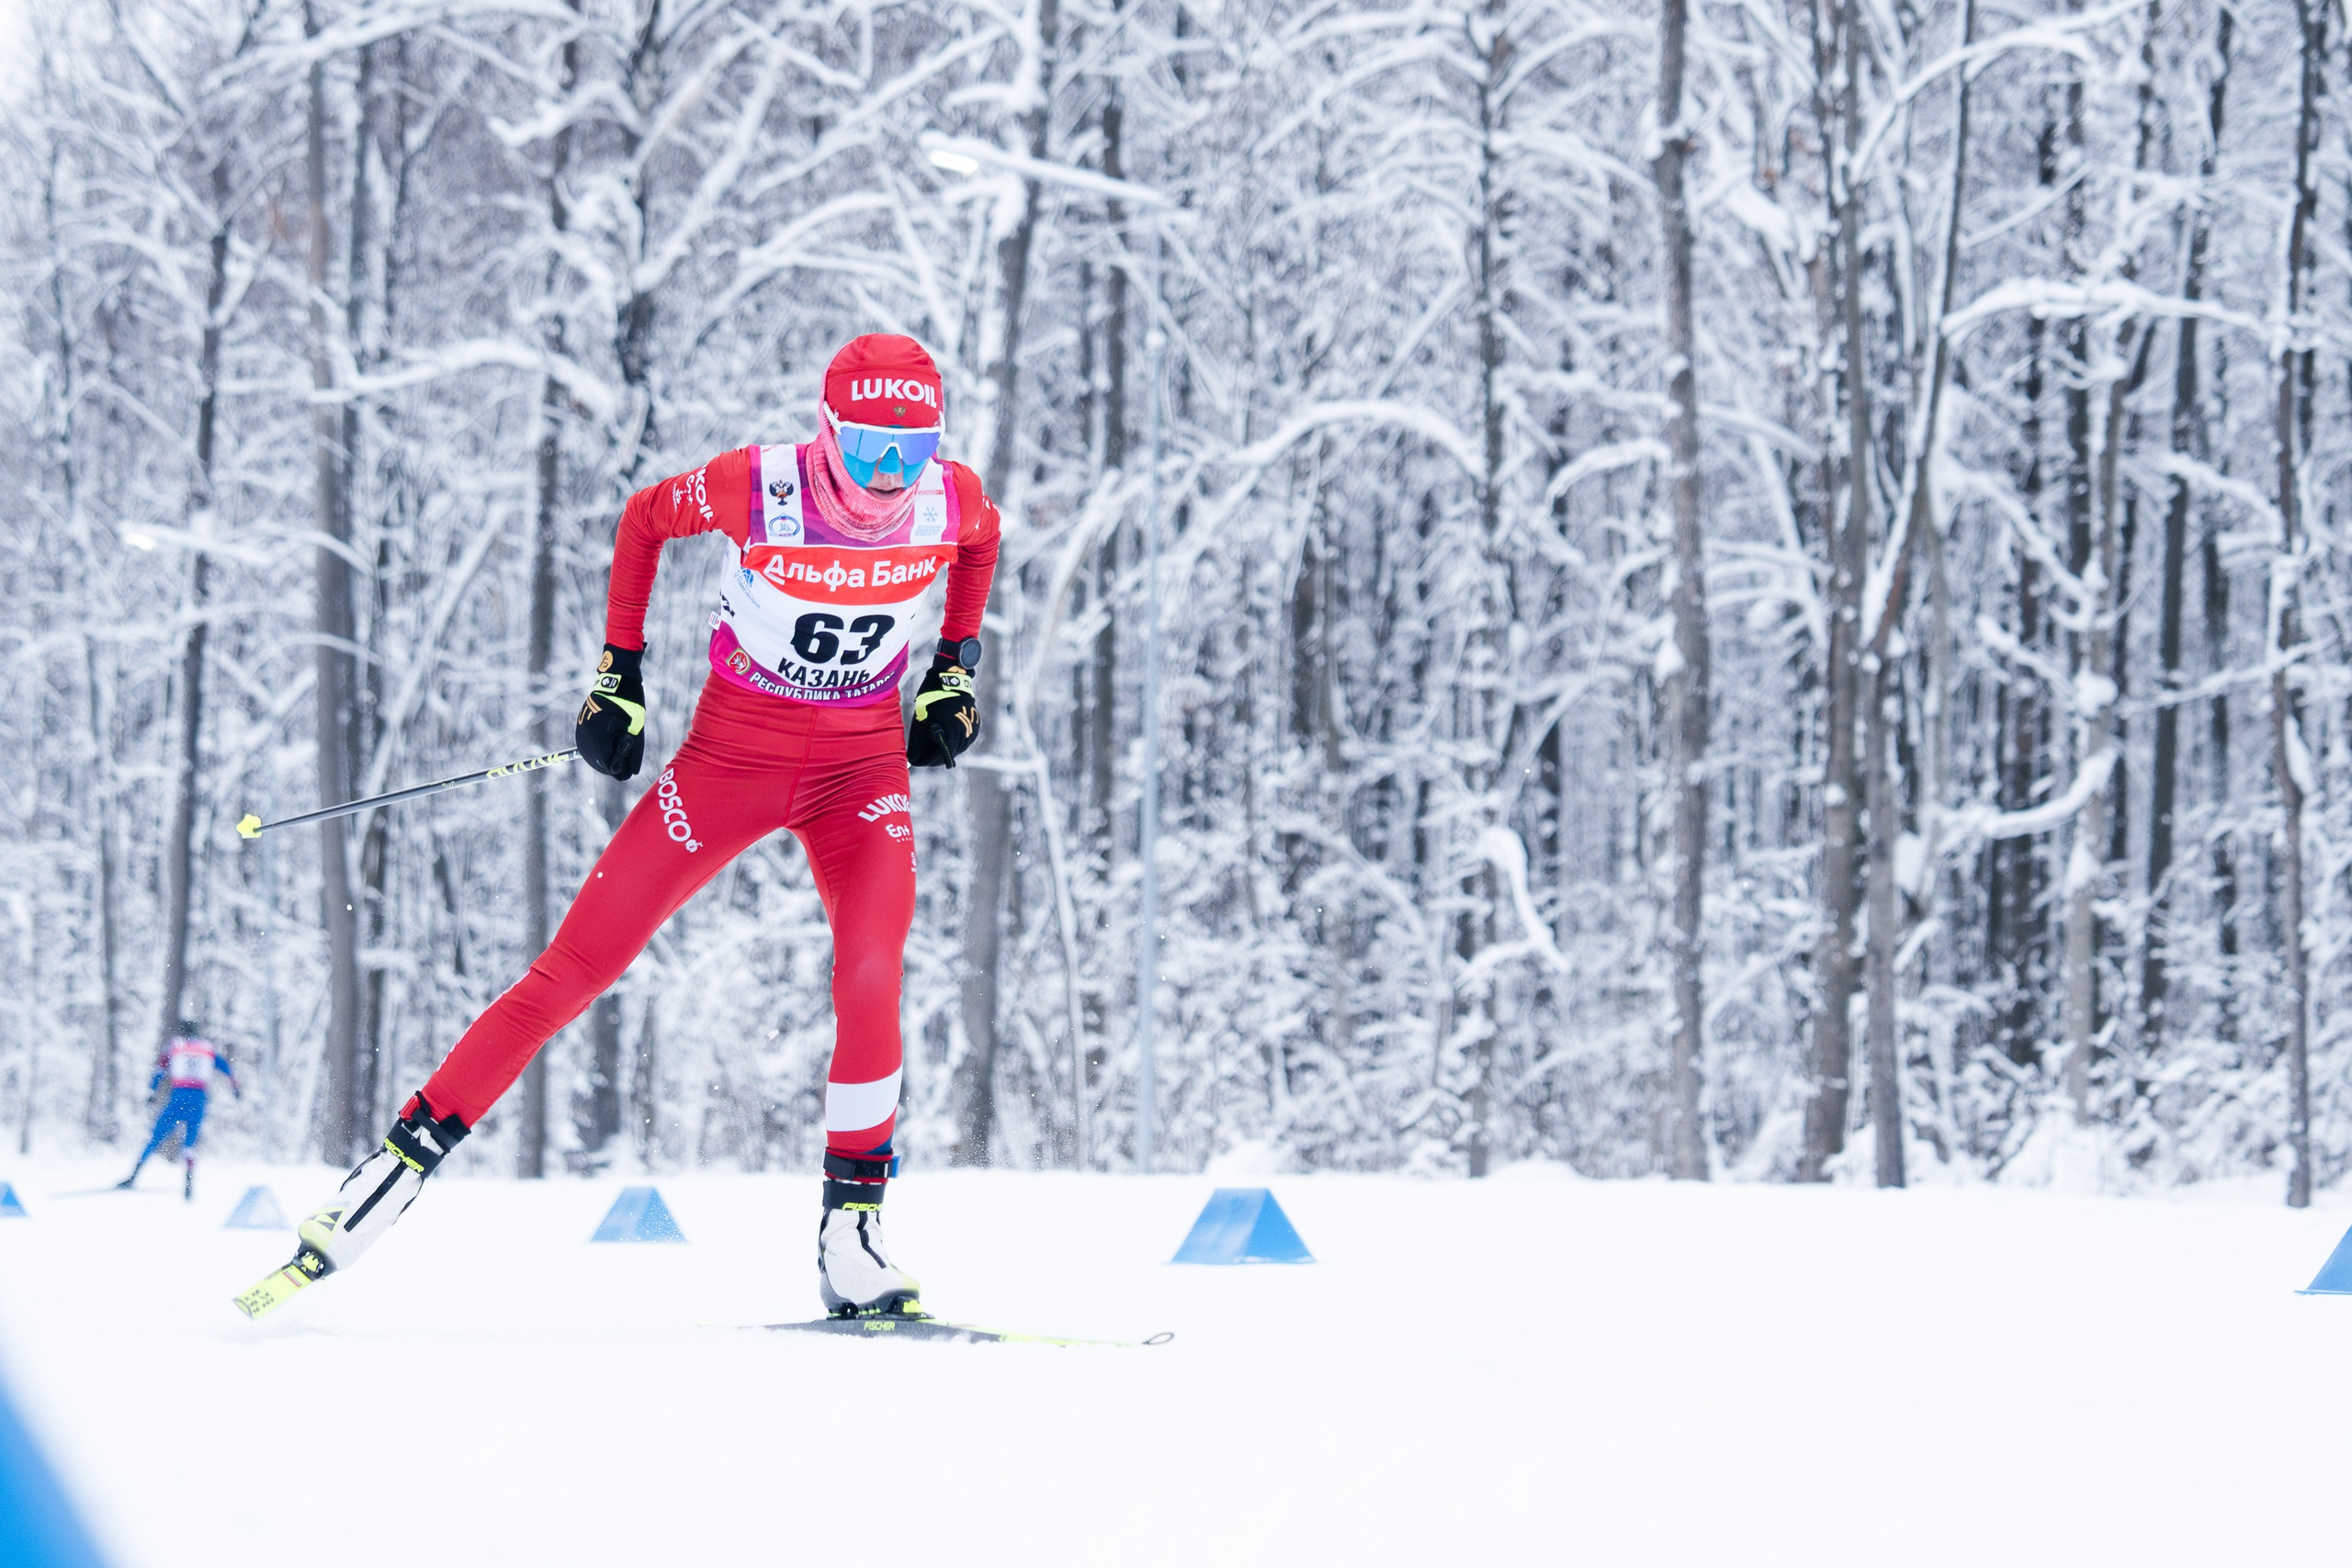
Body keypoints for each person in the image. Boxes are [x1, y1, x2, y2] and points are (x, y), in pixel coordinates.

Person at [249, 334, 998, 1320]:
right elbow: (644, 518)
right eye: (868, 447)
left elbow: (982, 544)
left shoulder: (950, 497)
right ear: (828, 431)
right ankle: (384, 1178)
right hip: (732, 761)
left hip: (860, 772)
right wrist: (619, 673)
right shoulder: (755, 486)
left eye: (913, 447)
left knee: (871, 973)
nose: (890, 472)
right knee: (576, 967)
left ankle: (852, 1234)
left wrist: (954, 668)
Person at [120, 1021, 241, 1200]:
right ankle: (188, 1184)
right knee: (190, 1142)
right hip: (199, 1098)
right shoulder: (207, 1048)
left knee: (156, 1136)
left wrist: (152, 1092)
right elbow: (226, 1068)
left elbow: (160, 1070)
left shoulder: (176, 1046)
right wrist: (235, 1088)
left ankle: (134, 1176)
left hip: (179, 1095)